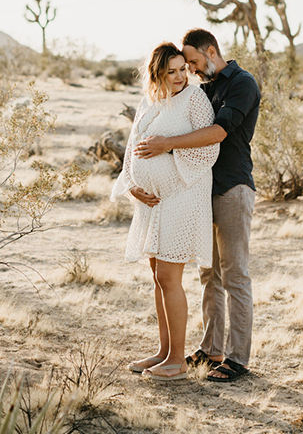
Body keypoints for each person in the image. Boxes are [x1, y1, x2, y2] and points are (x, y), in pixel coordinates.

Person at [135, 28, 261, 383]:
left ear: (210, 51)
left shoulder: (242, 83)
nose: (189, 69)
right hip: (202, 192)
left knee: (235, 274)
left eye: (192, 61)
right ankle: (211, 349)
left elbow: (218, 133)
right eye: (184, 64)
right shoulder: (205, 88)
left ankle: (237, 359)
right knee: (210, 274)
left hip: (233, 187)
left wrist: (167, 145)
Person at [111, 41, 218, 382]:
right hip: (152, 202)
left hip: (182, 195)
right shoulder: (149, 102)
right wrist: (133, 186)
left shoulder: (194, 98)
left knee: (170, 278)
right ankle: (163, 351)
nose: (178, 76)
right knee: (158, 277)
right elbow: (132, 148)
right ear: (156, 74)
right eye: (170, 72)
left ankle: (177, 360)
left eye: (182, 69)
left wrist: (167, 155)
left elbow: (209, 146)